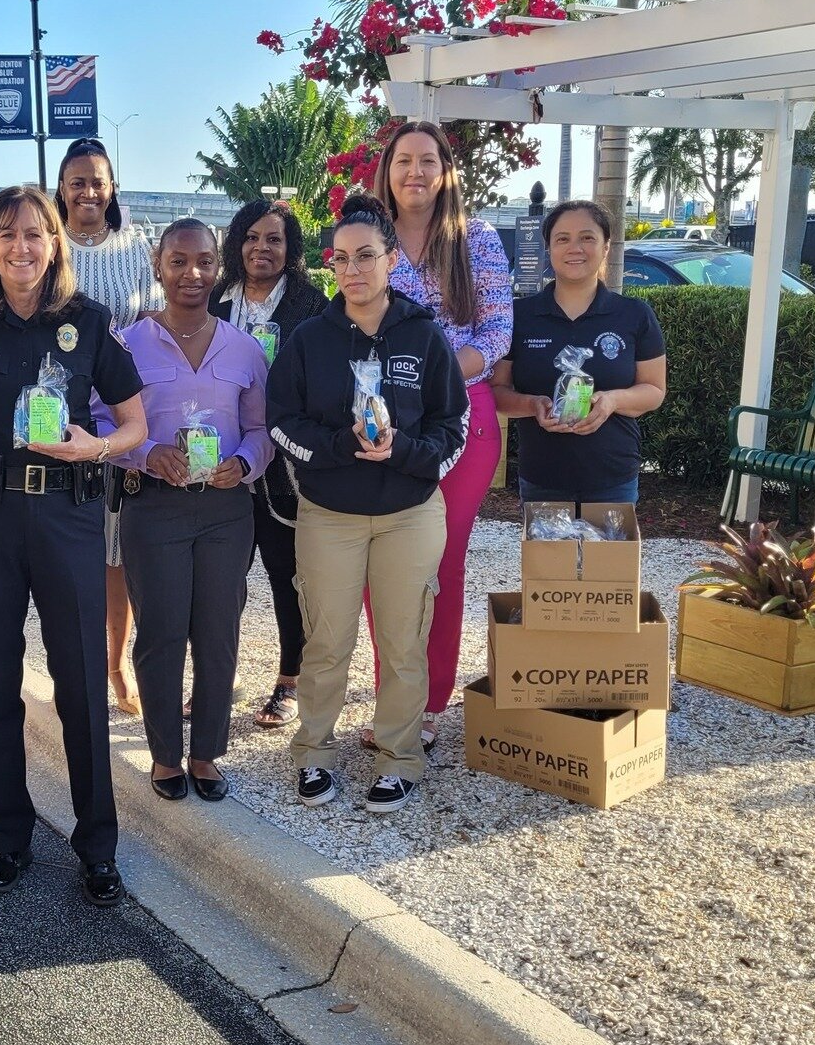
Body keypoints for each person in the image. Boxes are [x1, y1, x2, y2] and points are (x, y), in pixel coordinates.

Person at [0, 185, 148, 906]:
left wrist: (96, 445)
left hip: (67, 515)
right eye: (6, 235)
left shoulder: (87, 322)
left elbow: (135, 422)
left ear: (54, 243)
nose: (21, 248)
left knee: (80, 687)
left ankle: (97, 846)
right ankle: (8, 839)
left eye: (34, 234)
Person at [267, 194, 469, 815]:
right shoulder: (309, 340)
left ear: (389, 260)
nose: (353, 269)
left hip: (409, 513)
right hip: (330, 514)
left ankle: (399, 757)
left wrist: (406, 452)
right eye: (342, 258)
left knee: (404, 640)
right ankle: (314, 753)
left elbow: (453, 426)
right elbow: (280, 422)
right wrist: (335, 447)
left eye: (367, 256)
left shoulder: (424, 335)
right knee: (327, 640)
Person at [114, 219, 270, 802]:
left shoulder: (245, 349)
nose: (192, 274)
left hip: (227, 510)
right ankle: (163, 754)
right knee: (160, 631)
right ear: (158, 266)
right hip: (155, 509)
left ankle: (205, 751)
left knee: (217, 632)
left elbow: (261, 429)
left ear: (218, 267)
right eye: (179, 262)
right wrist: (149, 454)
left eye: (204, 262)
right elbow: (106, 426)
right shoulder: (127, 345)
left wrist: (246, 463)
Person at [372, 119, 513, 742]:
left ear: (446, 171)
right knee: (384, 559)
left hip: (461, 414)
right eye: (404, 160)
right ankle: (390, 696)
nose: (416, 172)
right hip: (382, 420)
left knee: (438, 561)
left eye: (428, 160)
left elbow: (497, 331)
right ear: (388, 169)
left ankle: (426, 705)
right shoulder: (369, 237)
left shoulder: (475, 239)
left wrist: (434, 374)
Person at [209, 200, 329, 730]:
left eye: (274, 239)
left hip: (285, 464)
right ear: (238, 243)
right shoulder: (214, 299)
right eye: (253, 237)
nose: (262, 248)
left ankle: (289, 679)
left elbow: (325, 378)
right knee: (222, 577)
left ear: (290, 248)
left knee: (285, 573)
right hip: (223, 458)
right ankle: (218, 677)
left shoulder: (312, 304)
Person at [55, 137, 160, 715]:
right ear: (62, 189)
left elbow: (152, 324)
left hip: (127, 416)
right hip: (67, 418)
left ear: (111, 186)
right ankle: (88, 665)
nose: (88, 191)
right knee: (82, 550)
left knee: (121, 553)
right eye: (77, 180)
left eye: (97, 180)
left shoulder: (137, 247)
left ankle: (121, 665)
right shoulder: (49, 249)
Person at [490, 200, 667, 502]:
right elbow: (497, 392)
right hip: (542, 475)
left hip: (613, 477)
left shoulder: (634, 315)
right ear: (549, 249)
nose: (575, 248)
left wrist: (611, 400)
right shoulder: (520, 315)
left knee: (608, 552)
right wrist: (535, 405)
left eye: (587, 237)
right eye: (562, 239)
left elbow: (654, 390)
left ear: (606, 246)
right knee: (548, 552)